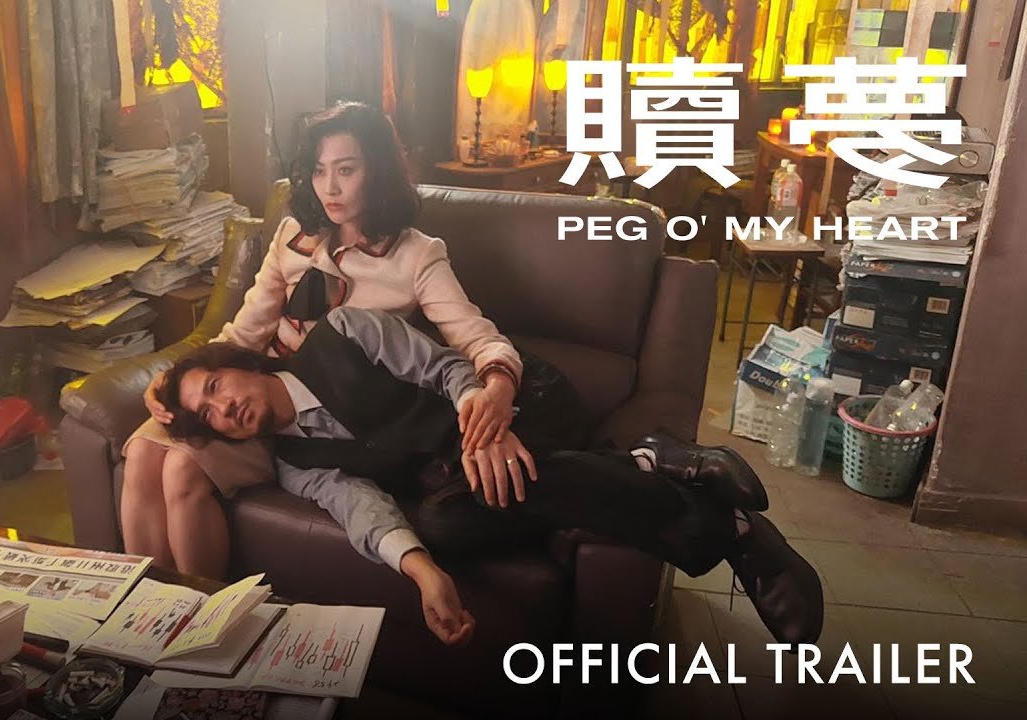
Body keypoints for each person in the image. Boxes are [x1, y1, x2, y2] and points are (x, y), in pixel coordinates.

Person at [158, 307, 824, 649]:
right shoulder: (294, 463)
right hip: (463, 472)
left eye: (216, 387)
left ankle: (733, 535)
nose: (224, 409)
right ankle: (651, 463)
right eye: (207, 416)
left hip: (522, 405)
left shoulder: (344, 332)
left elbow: (446, 369)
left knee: (474, 486)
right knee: (442, 523)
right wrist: (423, 574)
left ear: (243, 362)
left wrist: (486, 425)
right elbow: (362, 510)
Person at [122, 102, 523, 578]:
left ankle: (198, 612)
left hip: (310, 427)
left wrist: (498, 388)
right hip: (260, 389)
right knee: (142, 452)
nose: (329, 188)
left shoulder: (417, 256)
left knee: (180, 469)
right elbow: (243, 335)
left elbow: (476, 338)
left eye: (346, 170)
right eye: (318, 171)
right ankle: (143, 607)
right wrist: (174, 378)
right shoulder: (293, 234)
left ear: (377, 170)